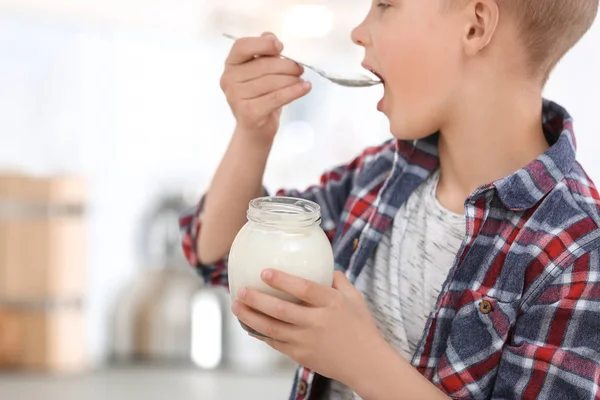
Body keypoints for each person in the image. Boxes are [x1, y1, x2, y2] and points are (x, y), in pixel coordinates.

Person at [180, 0, 600, 398]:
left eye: (385, 4)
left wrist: (363, 362)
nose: (359, 31)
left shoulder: (579, 252)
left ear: (475, 25)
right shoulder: (378, 177)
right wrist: (253, 133)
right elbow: (220, 252)